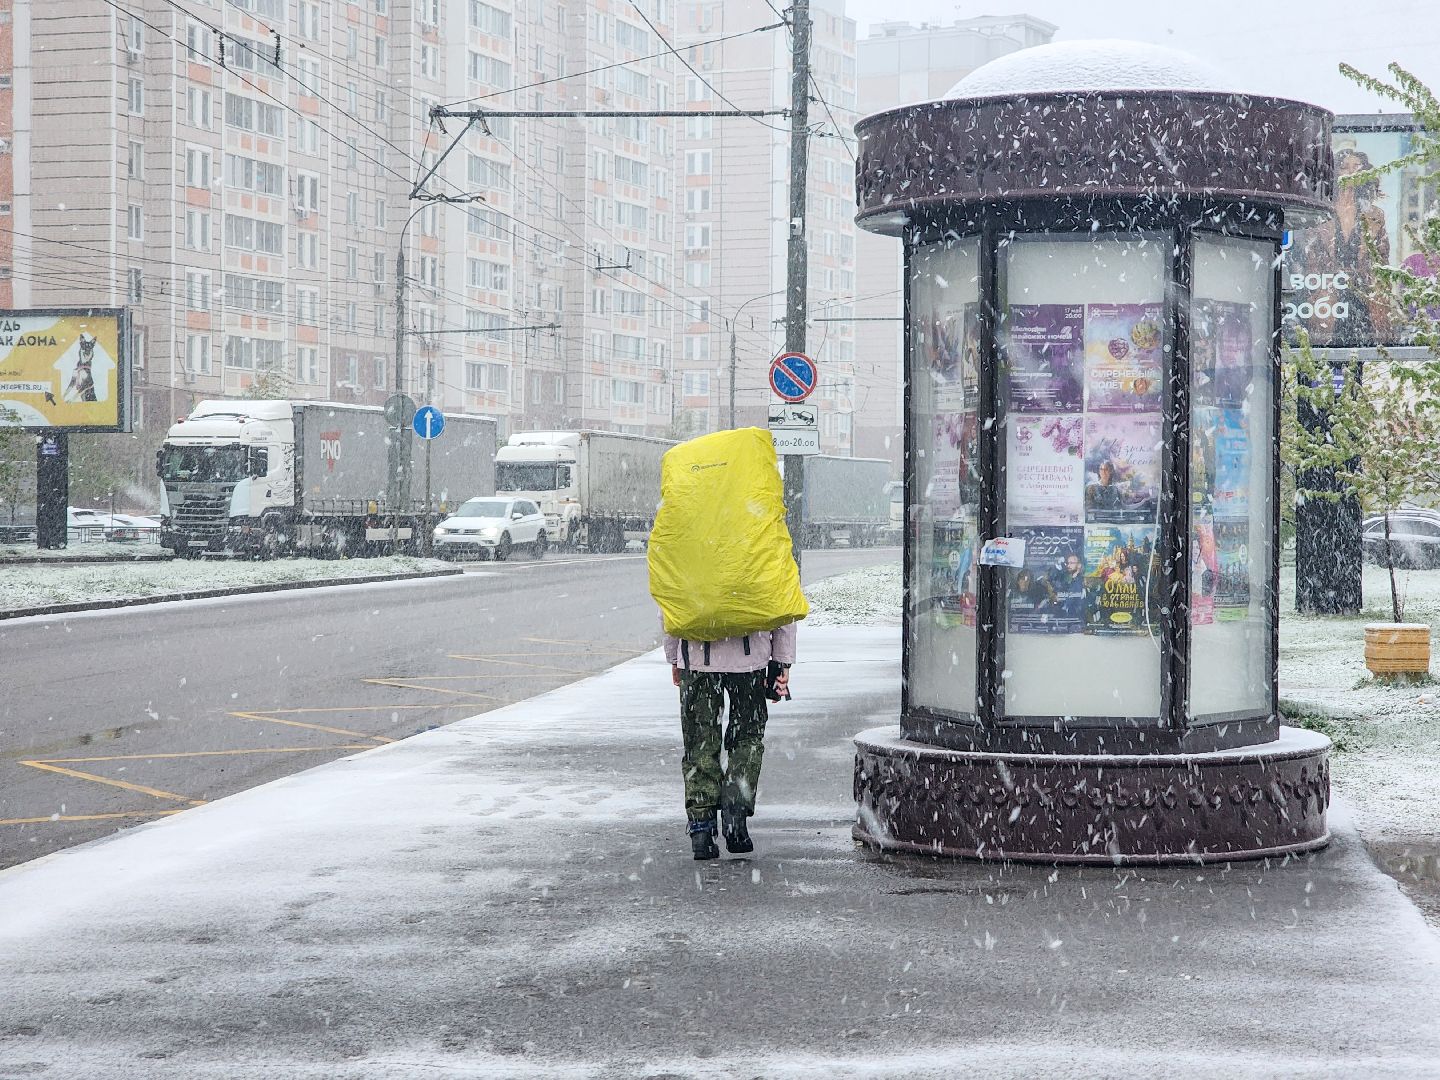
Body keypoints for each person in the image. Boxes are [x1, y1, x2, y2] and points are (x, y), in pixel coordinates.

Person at [665, 624, 795, 860]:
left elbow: (670, 608)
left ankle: (701, 828)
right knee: (747, 737)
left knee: (700, 741)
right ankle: (736, 812)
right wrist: (781, 661)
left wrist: (674, 657)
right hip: (750, 661)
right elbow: (784, 609)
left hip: (696, 658)